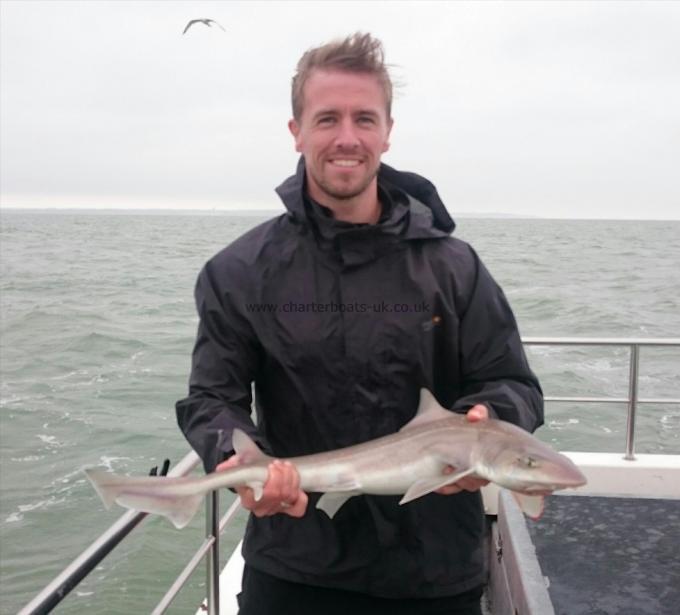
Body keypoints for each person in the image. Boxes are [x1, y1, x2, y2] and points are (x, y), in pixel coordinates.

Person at [176, 32, 543, 615]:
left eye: (364, 118)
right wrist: (235, 454)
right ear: (295, 131)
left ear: (387, 131)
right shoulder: (238, 272)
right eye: (327, 119)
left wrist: (488, 422)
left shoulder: (454, 267)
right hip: (295, 565)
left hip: (434, 571)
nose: (347, 138)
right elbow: (210, 398)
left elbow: (513, 382)